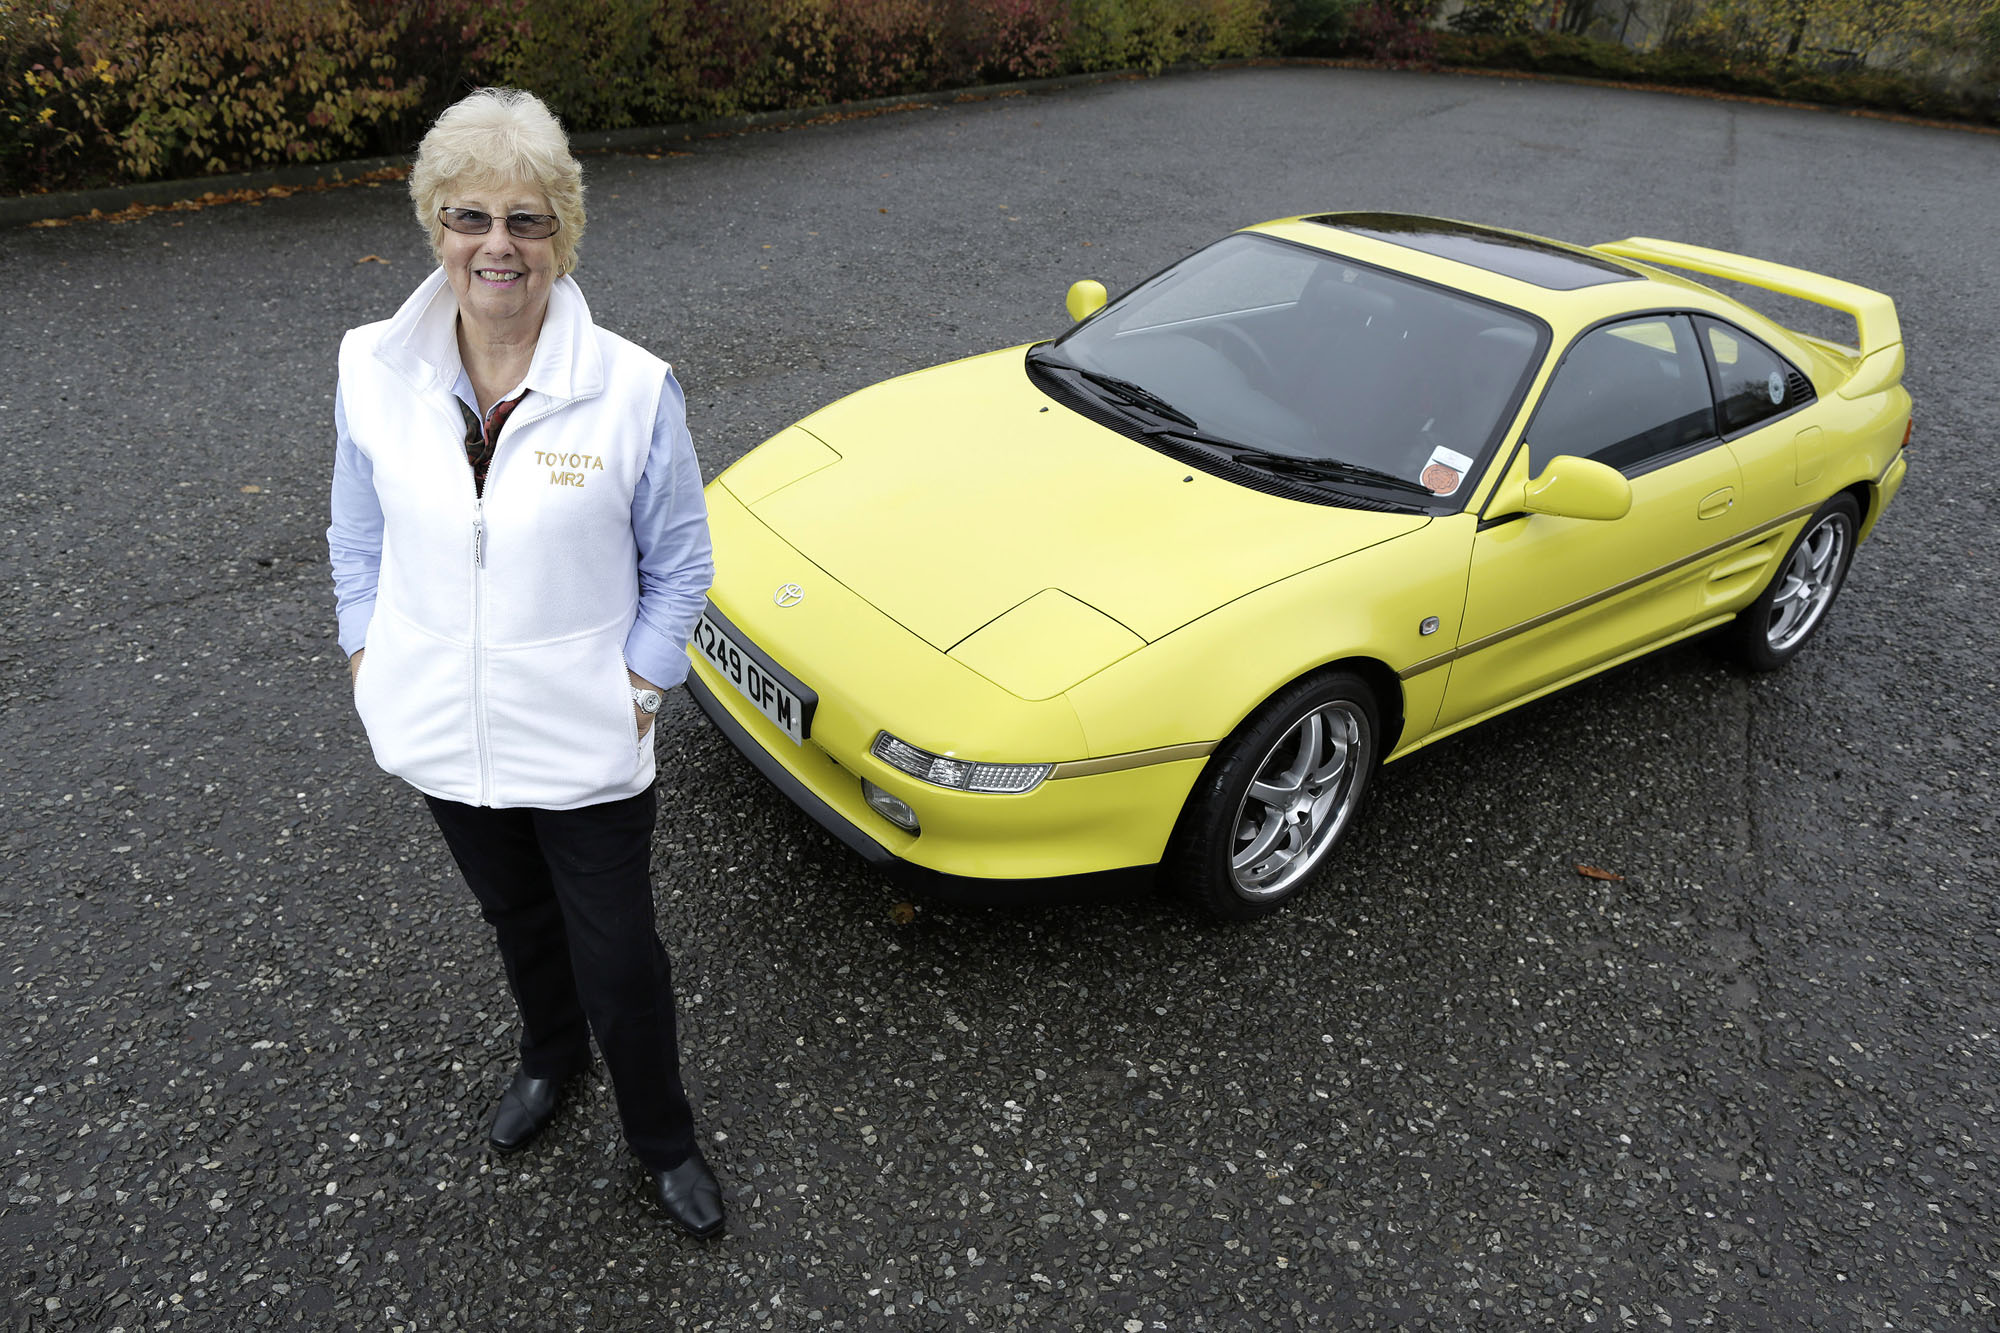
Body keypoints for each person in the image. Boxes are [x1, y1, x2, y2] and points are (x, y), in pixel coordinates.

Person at [325, 87, 722, 1238]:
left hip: (587, 735)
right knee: (515, 918)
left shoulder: (636, 389)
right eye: (469, 216)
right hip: (439, 729)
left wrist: (638, 690)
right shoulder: (368, 368)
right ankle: (549, 1058)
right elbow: (356, 535)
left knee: (622, 957)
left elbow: (682, 569)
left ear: (562, 234)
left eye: (527, 219)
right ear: (433, 225)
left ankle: (662, 1138)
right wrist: (365, 654)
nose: (496, 243)